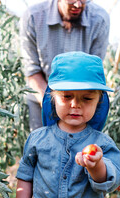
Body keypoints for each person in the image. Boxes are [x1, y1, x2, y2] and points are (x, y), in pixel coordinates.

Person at [15, 51, 120, 198]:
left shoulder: (102, 143)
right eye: (66, 96)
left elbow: (109, 183)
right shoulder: (37, 140)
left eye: (87, 99)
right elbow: (25, 177)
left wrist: (96, 165)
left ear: (99, 103)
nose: (75, 104)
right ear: (53, 97)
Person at [20, 0, 110, 131]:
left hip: (81, 104)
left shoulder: (99, 20)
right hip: (41, 96)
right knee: (41, 145)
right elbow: (32, 71)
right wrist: (53, 106)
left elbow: (93, 72)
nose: (78, 4)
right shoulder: (33, 17)